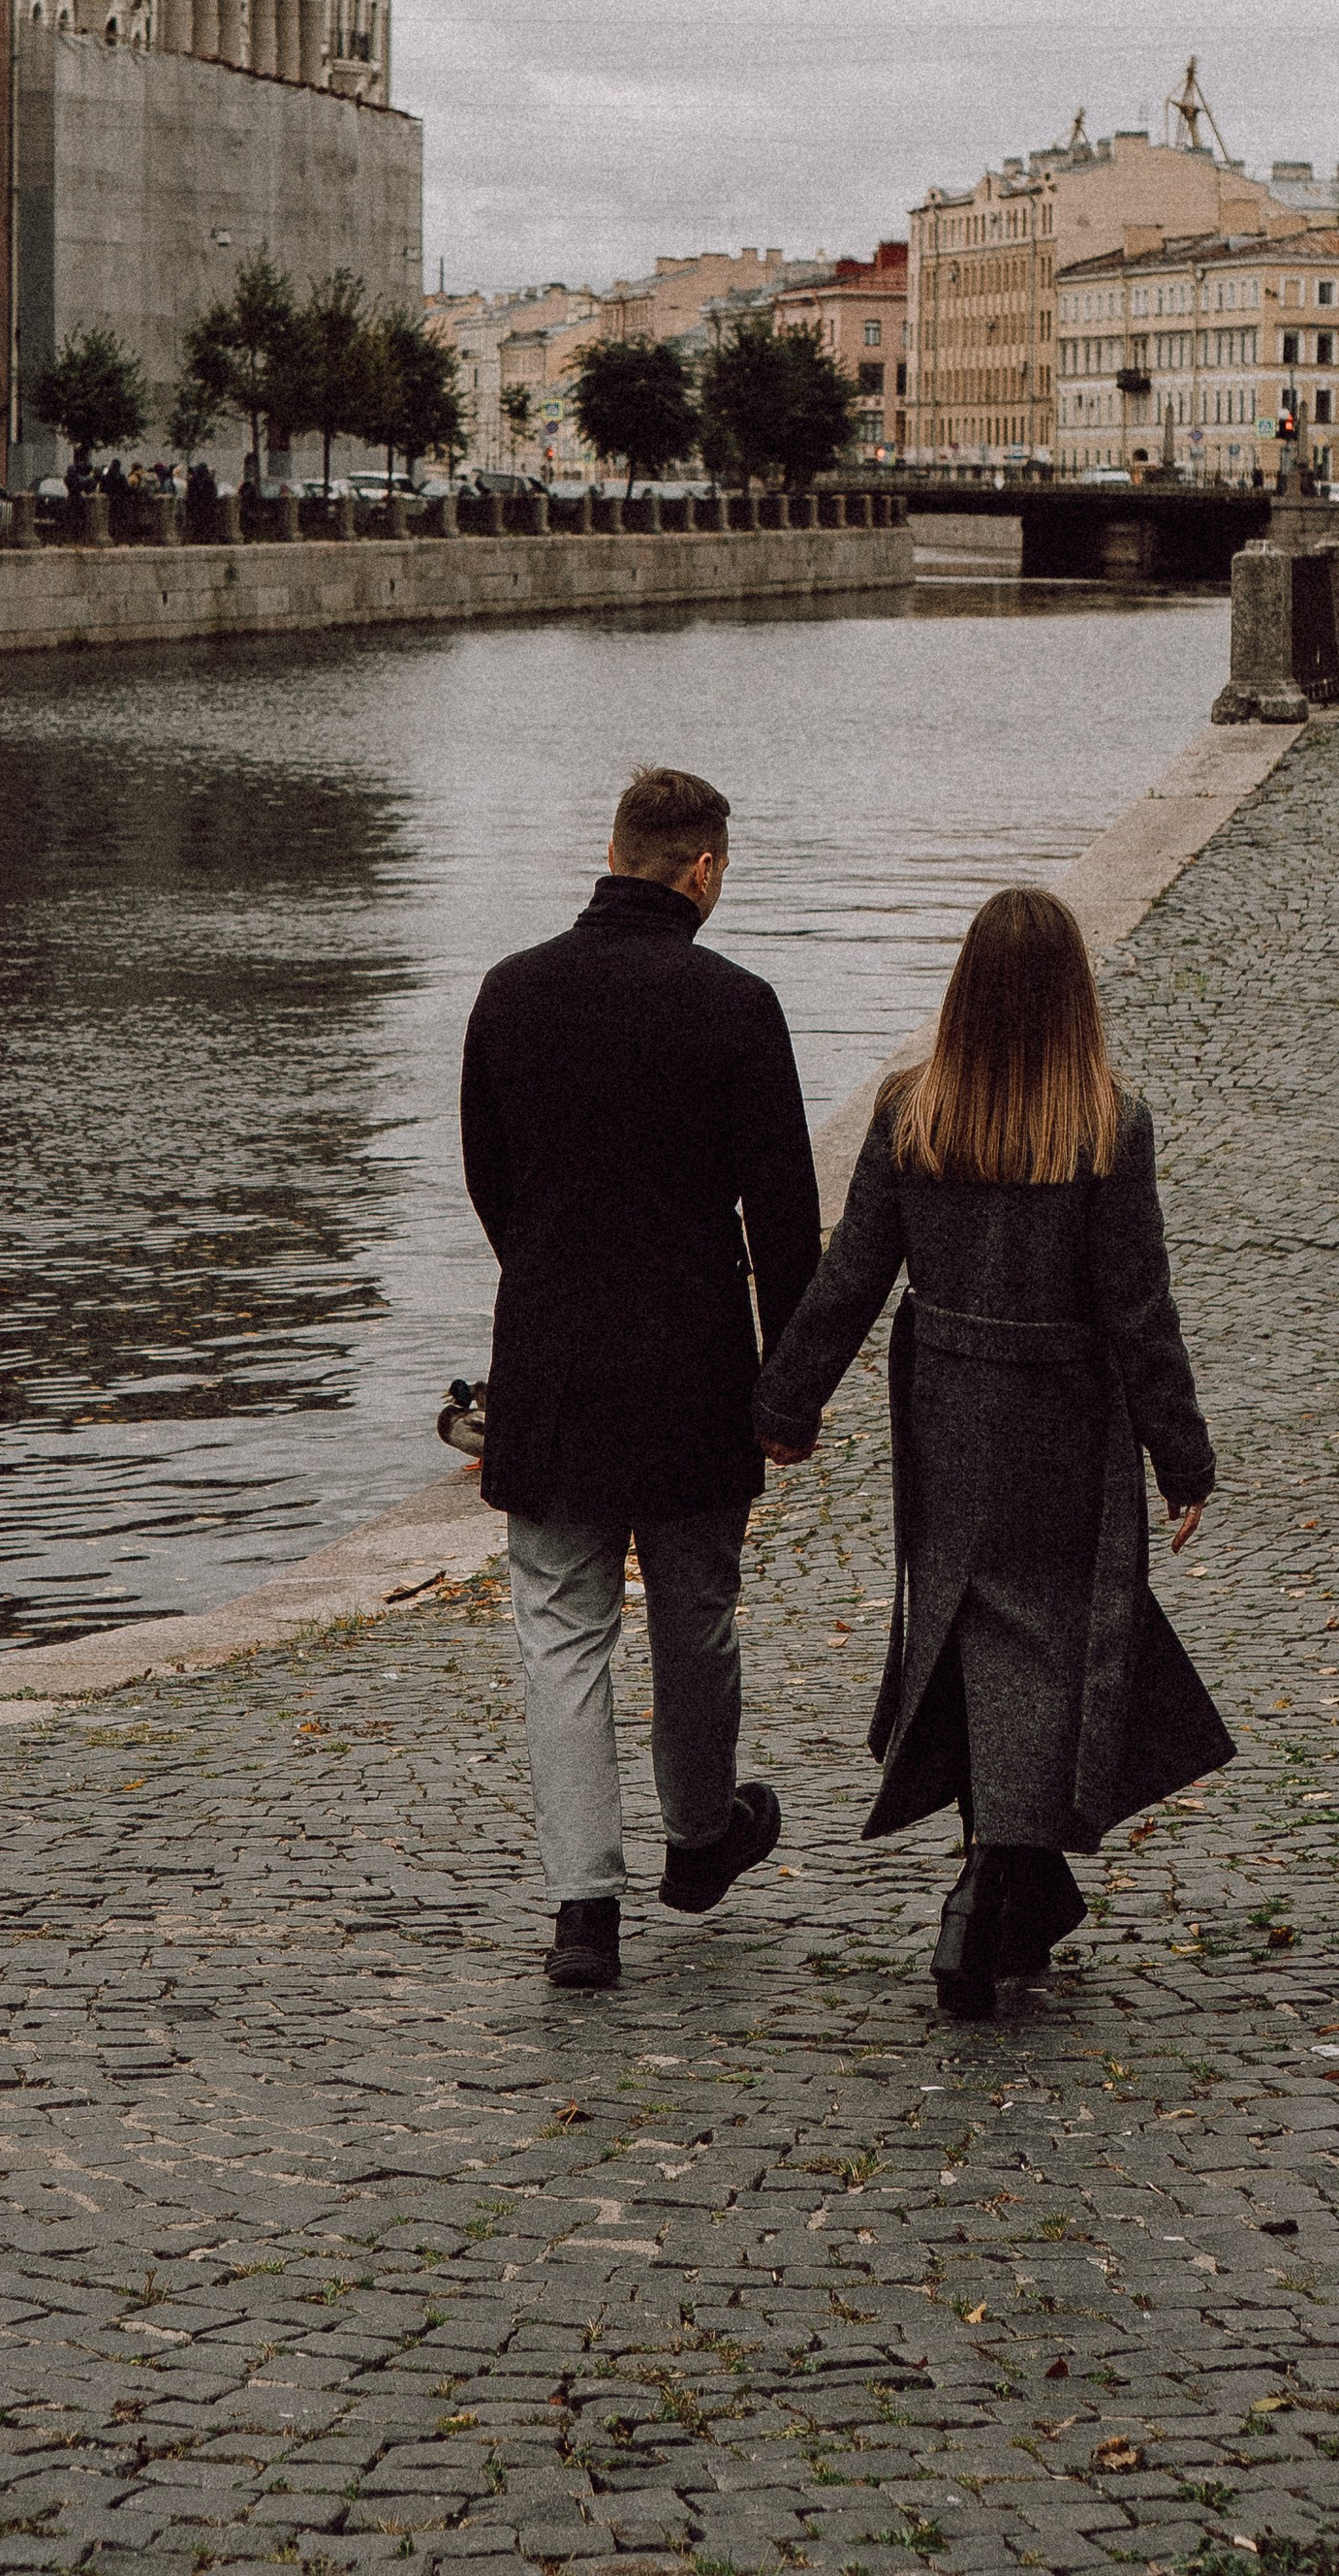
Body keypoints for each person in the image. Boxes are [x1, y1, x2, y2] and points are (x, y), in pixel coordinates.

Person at [753, 887, 1230, 2021]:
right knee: (1050, 1640)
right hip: (1066, 1415)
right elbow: (1137, 1308)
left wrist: (786, 1404)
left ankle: (1016, 1881)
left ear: (963, 987)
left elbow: (851, 1276)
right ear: (1075, 996)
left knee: (967, 1632)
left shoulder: (911, 1111)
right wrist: (1183, 1457)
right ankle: (983, 1898)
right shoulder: (1109, 1123)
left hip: (948, 1410)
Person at [461, 764, 822, 1993]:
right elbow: (783, 1220)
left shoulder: (510, 995)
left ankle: (581, 1911)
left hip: (552, 1357)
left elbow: (490, 1182)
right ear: (702, 870)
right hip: (692, 1364)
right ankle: (701, 1835)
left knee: (560, 1629)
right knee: (695, 1614)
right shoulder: (736, 1004)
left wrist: (556, 1283)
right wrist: (790, 1391)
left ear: (612, 854)